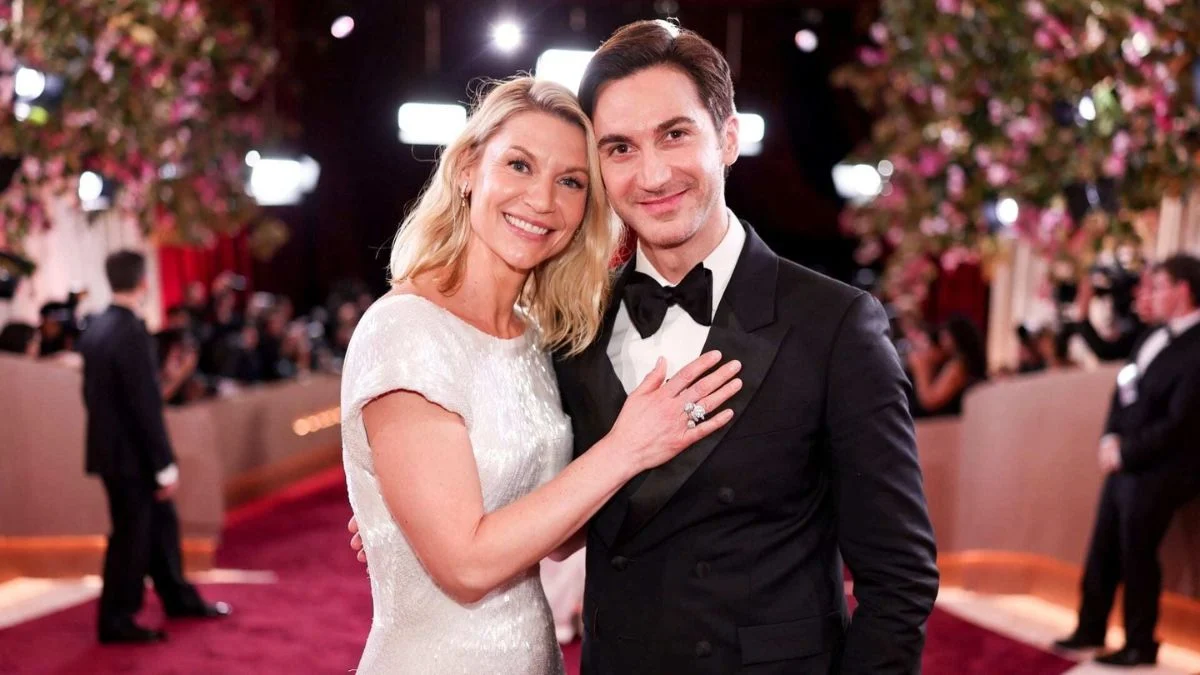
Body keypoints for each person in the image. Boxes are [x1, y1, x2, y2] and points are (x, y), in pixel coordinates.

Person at [354, 20, 938, 674]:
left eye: (675, 134)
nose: (652, 173)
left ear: (728, 136)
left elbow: (900, 577)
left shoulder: (834, 324)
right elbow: (534, 497)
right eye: (620, 148)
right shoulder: (574, 327)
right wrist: (401, 512)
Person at [339, 77, 741, 674]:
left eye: (571, 181)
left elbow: (553, 535)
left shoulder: (532, 337)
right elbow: (468, 568)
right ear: (469, 169)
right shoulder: (405, 330)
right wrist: (626, 449)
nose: (542, 200)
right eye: (520, 165)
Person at [1054, 254, 1200, 667]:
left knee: (1137, 550)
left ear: (1183, 289)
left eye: (1159, 286)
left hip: (1165, 466)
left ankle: (1140, 642)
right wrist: (1109, 437)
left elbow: (1182, 423)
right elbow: (1123, 390)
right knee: (1103, 545)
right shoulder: (1152, 335)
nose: (1150, 294)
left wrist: (1127, 450)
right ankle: (1090, 627)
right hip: (1126, 461)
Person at [77, 250, 230, 645]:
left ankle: (178, 597)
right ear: (143, 281)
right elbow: (144, 404)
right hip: (134, 457)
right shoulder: (129, 331)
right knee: (132, 536)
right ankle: (116, 619)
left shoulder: (96, 327)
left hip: (112, 451)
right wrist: (163, 464)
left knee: (160, 526)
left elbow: (98, 396)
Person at [907, 314, 988, 416]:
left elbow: (930, 401)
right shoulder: (951, 363)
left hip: (942, 425)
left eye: (945, 337)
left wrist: (920, 368)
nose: (942, 341)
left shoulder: (958, 366)